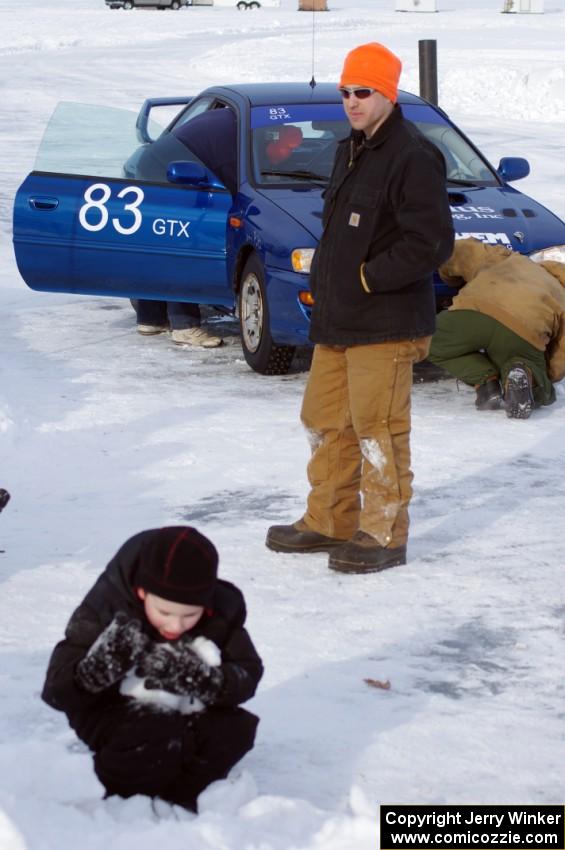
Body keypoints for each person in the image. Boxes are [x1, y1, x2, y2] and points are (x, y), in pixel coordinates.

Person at [265, 42, 454, 574]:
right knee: (325, 421)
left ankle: (383, 532)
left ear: (387, 94)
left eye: (362, 92)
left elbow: (431, 243)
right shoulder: (351, 147)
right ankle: (330, 518)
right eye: (345, 91)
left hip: (385, 322)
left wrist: (368, 278)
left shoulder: (412, 156)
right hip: (339, 320)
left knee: (377, 428)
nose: (351, 101)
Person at [42, 526, 263, 812]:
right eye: (165, 613)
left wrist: (201, 679)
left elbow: (247, 674)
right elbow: (56, 691)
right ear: (143, 593)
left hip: (186, 706)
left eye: (190, 616)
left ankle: (184, 797)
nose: (175, 626)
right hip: (114, 711)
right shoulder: (107, 607)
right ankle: (127, 802)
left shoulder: (220, 613)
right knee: (154, 729)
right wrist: (94, 672)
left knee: (235, 730)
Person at [132, 108, 238, 348]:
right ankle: (184, 326)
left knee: (160, 244)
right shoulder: (235, 147)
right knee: (184, 244)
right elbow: (237, 193)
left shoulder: (235, 116)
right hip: (169, 174)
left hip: (153, 164)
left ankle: (151, 318)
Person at [428, 238, 565, 419]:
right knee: (539, 386)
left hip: (474, 311)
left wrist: (449, 276)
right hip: (523, 332)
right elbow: (561, 354)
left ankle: (485, 382)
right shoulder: (561, 295)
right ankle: (523, 373)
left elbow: (461, 250)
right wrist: (545, 374)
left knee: (425, 339)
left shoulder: (509, 259)